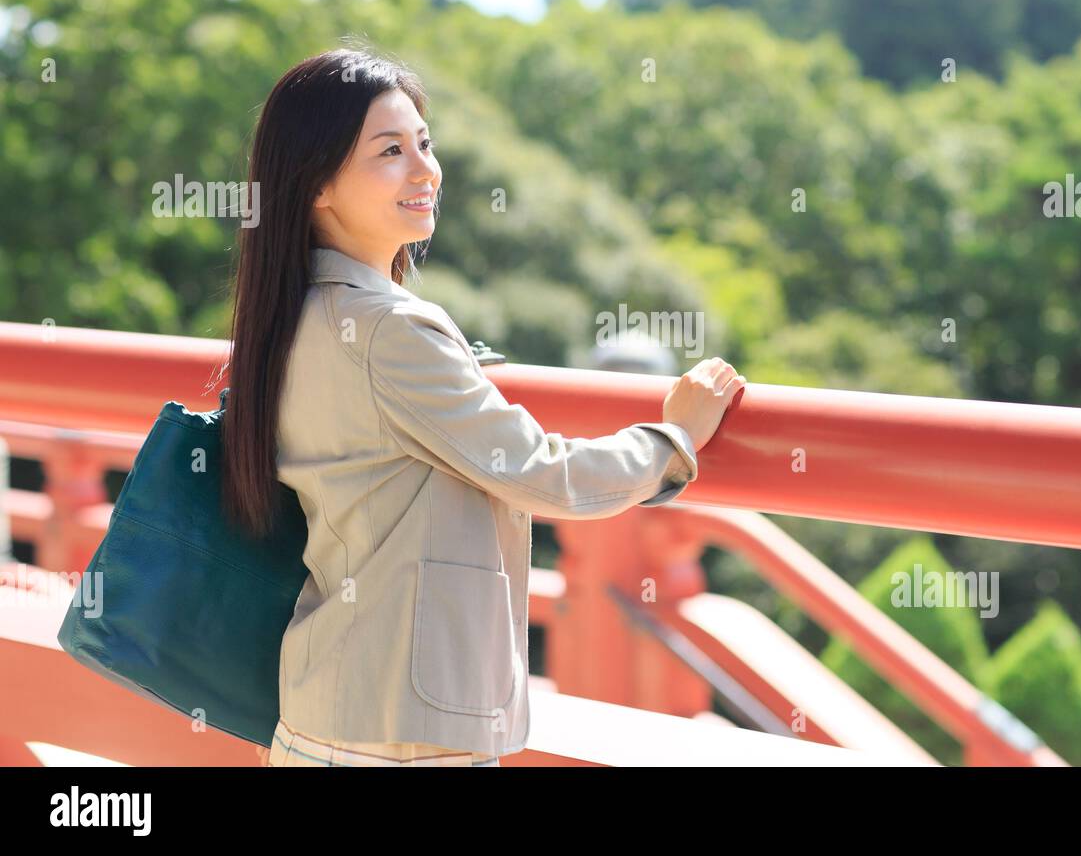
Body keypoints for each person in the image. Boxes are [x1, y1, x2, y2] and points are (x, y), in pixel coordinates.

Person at [218, 45, 745, 767]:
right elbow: (542, 473)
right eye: (390, 152)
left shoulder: (293, 313)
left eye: (424, 145)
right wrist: (672, 440)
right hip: (403, 736)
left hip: (322, 714)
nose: (424, 170)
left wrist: (459, 375)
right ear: (317, 185)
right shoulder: (389, 330)